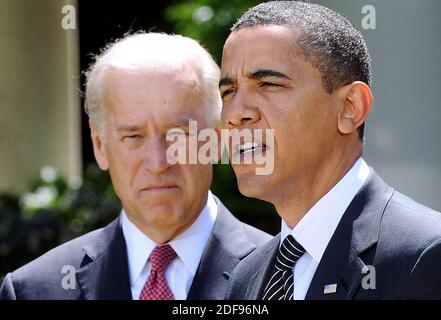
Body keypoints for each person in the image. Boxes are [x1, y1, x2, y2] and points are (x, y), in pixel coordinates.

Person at [0, 32, 271, 300]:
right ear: (99, 145)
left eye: (179, 134)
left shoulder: (284, 278)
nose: (158, 162)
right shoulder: (33, 290)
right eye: (133, 137)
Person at [220, 1, 441, 300]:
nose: (236, 112)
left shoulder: (425, 255)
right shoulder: (248, 277)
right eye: (228, 91)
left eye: (269, 84)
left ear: (351, 108)